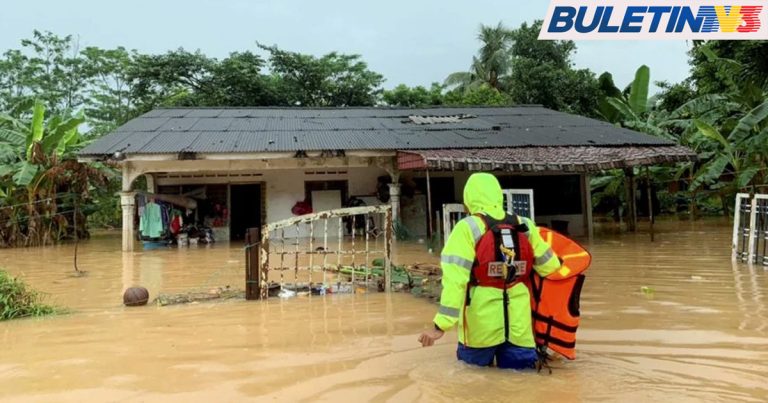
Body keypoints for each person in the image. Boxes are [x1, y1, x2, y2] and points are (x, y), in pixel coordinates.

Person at [418, 173, 561, 370]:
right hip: (519, 328)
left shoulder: (467, 228)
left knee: (473, 384)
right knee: (521, 386)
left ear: (469, 199)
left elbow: (455, 282)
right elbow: (551, 267)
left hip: (480, 330)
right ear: (497, 195)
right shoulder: (525, 224)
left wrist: (440, 326)